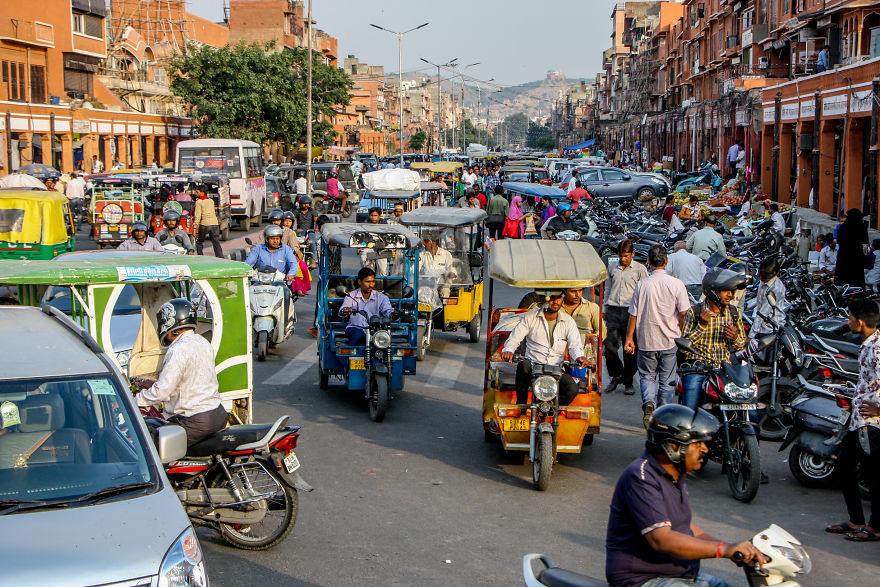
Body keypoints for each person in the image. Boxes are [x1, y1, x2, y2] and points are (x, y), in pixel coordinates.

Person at [605, 404, 765, 587]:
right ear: (673, 446)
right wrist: (724, 550)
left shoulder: (674, 474)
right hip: (642, 580)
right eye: (697, 444)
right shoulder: (641, 478)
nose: (704, 449)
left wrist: (731, 547)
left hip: (678, 575)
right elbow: (662, 539)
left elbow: (685, 527)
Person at [133, 299, 228, 447]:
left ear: (171, 323)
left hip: (196, 421)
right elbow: (189, 383)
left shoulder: (177, 349)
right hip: (217, 414)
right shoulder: (202, 342)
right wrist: (152, 385)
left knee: (152, 449)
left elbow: (161, 393)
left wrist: (135, 401)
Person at [824, 298, 880, 542]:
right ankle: (856, 519)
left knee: (874, 475)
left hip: (872, 423)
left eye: (849, 318)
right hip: (858, 420)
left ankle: (875, 527)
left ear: (859, 321)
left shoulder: (877, 348)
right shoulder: (868, 344)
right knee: (844, 467)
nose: (847, 322)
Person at [625, 246, 691, 427]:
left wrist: (629, 338)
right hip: (671, 340)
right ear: (666, 262)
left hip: (647, 340)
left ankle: (649, 403)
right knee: (667, 381)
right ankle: (663, 416)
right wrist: (683, 333)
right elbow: (684, 313)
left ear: (649, 262)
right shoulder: (677, 284)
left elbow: (633, 314)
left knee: (647, 377)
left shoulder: (643, 284)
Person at [500, 290, 590, 406]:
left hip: (556, 368)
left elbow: (575, 345)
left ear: (562, 299)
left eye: (558, 298)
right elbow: (515, 338)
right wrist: (508, 350)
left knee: (572, 389)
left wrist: (579, 357)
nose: (555, 301)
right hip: (533, 366)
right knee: (523, 365)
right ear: (542, 299)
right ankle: (521, 405)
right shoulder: (530, 318)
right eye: (551, 298)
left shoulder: (568, 321)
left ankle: (551, 409)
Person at [679, 269, 747, 411]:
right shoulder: (694, 312)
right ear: (713, 292)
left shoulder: (734, 313)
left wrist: (735, 338)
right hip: (697, 369)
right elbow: (684, 345)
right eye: (726, 291)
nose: (731, 295)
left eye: (731, 291)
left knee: (747, 407)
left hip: (724, 370)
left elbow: (741, 346)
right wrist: (702, 326)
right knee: (689, 410)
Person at [605, 239, 649, 395]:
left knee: (629, 349)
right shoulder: (612, 267)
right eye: (621, 256)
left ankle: (628, 381)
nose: (623, 259)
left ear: (632, 254)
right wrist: (604, 307)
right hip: (612, 310)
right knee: (609, 346)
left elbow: (644, 292)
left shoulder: (640, 269)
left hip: (630, 312)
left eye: (626, 256)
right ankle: (617, 375)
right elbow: (608, 287)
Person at [340, 267, 393, 347]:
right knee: (357, 337)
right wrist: (346, 310)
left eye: (373, 282)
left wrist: (393, 314)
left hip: (374, 329)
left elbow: (387, 310)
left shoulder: (381, 297)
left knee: (383, 341)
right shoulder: (351, 296)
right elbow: (343, 309)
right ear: (359, 282)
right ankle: (351, 358)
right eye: (367, 282)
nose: (371, 285)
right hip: (355, 328)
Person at [750, 257, 787, 336]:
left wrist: (751, 335)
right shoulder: (763, 280)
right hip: (760, 322)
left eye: (764, 278)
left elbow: (763, 313)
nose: (760, 279)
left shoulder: (775, 289)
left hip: (770, 327)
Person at [835, 208, 868, 287]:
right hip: (856, 258)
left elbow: (839, 241)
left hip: (844, 258)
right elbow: (865, 240)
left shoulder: (842, 228)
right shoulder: (861, 227)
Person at [421, 232, 457, 300]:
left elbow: (451, 267)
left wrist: (452, 273)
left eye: (426, 241)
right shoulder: (422, 254)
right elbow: (415, 267)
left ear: (433, 242)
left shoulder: (446, 254)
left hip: (441, 282)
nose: (423, 243)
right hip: (426, 283)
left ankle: (444, 306)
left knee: (445, 289)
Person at [192, 184, 224, 258]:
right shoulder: (211, 201)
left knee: (200, 242)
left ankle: (201, 258)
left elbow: (197, 216)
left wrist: (194, 228)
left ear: (202, 193)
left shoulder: (199, 202)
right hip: (215, 224)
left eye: (197, 192)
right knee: (216, 242)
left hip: (205, 224)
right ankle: (220, 258)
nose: (195, 193)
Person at [293, 196, 319, 268]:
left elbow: (316, 221)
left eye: (307, 204)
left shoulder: (312, 211)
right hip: (299, 232)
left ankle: (314, 260)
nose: (305, 205)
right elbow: (293, 221)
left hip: (309, 232)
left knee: (312, 242)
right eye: (304, 204)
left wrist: (316, 228)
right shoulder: (296, 211)